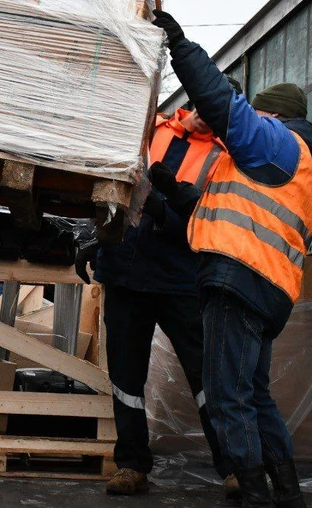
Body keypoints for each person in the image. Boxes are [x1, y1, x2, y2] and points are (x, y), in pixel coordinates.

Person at [150, 10, 312, 508]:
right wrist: (175, 194)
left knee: (227, 396)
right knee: (253, 393)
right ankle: (287, 493)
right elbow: (229, 211)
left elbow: (220, 101)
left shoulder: (275, 141)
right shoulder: (290, 166)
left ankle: (254, 493)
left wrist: (180, 46)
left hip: (239, 281)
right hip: (265, 288)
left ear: (272, 116)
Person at [76, 84, 240, 497]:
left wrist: (161, 211)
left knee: (206, 376)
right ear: (192, 101)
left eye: (218, 108)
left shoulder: (226, 159)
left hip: (180, 278)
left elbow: (207, 224)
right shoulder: (153, 128)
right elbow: (114, 189)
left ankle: (234, 466)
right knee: (126, 377)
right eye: (204, 102)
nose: (208, 112)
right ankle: (132, 465)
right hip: (126, 272)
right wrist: (95, 241)